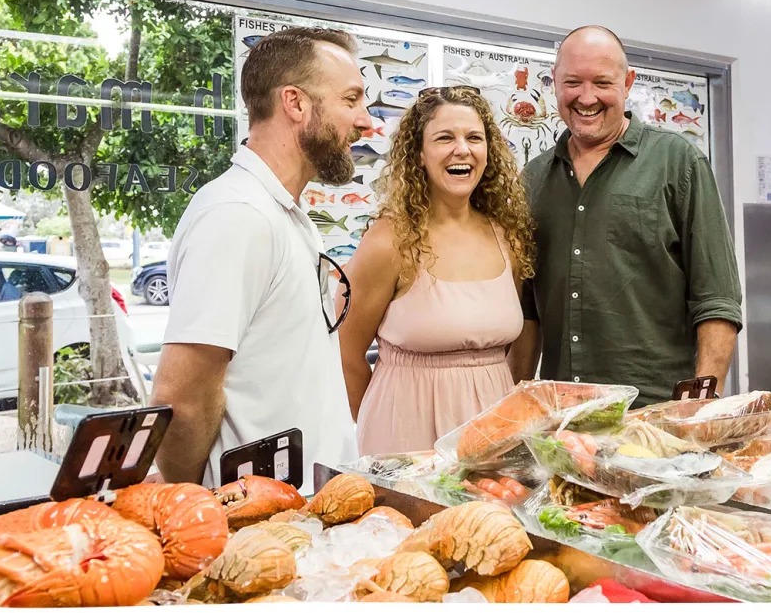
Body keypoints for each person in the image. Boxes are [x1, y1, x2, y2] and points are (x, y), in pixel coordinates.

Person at [150, 27, 372, 488]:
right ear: (295, 103)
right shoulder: (237, 215)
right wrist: (193, 499)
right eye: (351, 100)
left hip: (302, 511)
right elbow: (183, 396)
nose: (367, 121)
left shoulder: (283, 213)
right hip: (251, 523)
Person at [517, 25, 742, 407]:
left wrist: (698, 407)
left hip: (655, 413)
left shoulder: (678, 163)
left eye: (602, 82)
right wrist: (514, 407)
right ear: (554, 82)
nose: (586, 97)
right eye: (572, 82)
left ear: (628, 83)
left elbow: (716, 300)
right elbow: (526, 313)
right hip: (561, 418)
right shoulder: (534, 179)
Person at [338, 87, 534, 455]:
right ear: (419, 155)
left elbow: (517, 341)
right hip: (406, 439)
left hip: (495, 440)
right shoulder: (388, 242)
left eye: (474, 138)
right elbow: (345, 354)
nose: (462, 149)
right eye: (445, 138)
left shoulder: (508, 238)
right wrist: (383, 426)